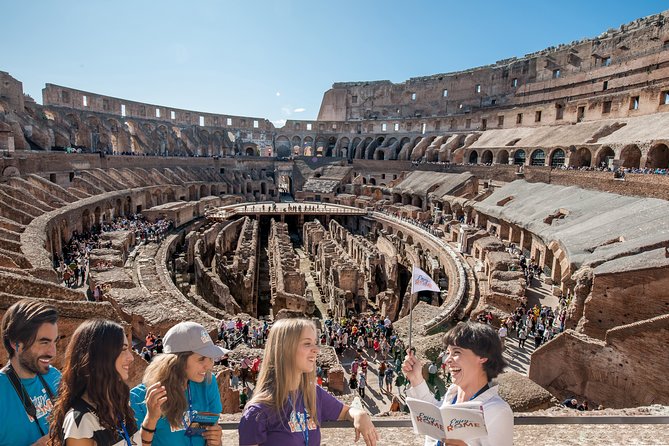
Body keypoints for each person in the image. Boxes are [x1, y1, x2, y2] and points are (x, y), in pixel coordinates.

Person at [238, 318, 378, 445]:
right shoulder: (257, 412)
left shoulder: (313, 393)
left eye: (315, 343)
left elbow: (345, 412)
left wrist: (360, 414)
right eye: (307, 344)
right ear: (285, 349)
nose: (316, 350)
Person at [402, 321, 513, 446]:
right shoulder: (452, 395)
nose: (448, 360)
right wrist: (416, 379)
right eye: (448, 353)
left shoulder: (497, 412)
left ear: (483, 357)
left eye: (456, 353)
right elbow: (434, 412)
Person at [131, 321, 227, 446]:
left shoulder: (208, 383)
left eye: (210, 357)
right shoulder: (139, 397)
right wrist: (151, 419)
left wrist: (216, 441)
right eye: (201, 358)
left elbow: (212, 436)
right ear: (177, 361)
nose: (209, 366)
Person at [47, 319, 140, 445]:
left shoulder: (117, 404)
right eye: (123, 349)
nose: (131, 357)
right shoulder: (81, 422)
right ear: (100, 356)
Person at [0, 299, 60, 446]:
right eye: (44, 342)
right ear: (16, 343)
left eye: (55, 342)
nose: (53, 352)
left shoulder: (55, 376)